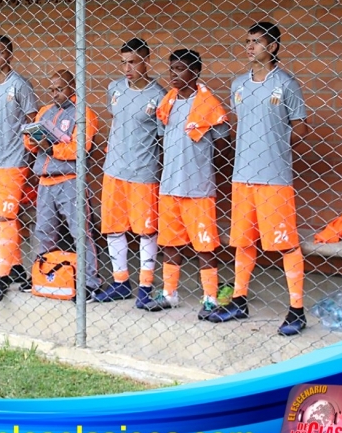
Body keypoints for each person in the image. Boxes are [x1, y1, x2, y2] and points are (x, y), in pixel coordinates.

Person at [207, 22, 309, 336]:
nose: (250, 47)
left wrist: (275, 146)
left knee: (286, 243)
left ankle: (297, 309)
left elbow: (301, 126)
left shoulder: (287, 84)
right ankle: (239, 299)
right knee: (243, 241)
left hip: (274, 176)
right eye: (248, 41)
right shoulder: (238, 84)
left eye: (257, 42)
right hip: (242, 175)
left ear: (273, 47)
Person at [143, 49, 228, 317]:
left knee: (205, 245)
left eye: (180, 69)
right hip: (169, 186)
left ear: (195, 72)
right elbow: (160, 136)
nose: (174, 75)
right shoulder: (168, 102)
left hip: (198, 188)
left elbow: (223, 140)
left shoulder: (208, 105)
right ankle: (170, 293)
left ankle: (210, 297)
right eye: (171, 70)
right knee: (170, 243)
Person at [95, 38, 166, 306]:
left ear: (147, 61)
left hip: (143, 171)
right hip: (114, 169)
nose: (127, 67)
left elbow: (162, 137)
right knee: (114, 228)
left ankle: (145, 286)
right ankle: (121, 281)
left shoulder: (158, 95)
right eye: (123, 62)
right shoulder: (114, 88)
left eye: (133, 61)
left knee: (146, 230)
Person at [24, 69, 101, 296]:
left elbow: (80, 148)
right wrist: (35, 141)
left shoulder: (83, 113)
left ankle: (89, 282)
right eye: (52, 89)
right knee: (44, 232)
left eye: (60, 89)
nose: (55, 94)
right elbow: (29, 141)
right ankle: (43, 275)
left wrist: (51, 148)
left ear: (72, 87)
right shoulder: (45, 112)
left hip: (70, 181)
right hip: (45, 181)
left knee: (81, 233)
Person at [0, 35, 38, 306]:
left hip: (13, 162)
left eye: (0, 52)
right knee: (2, 217)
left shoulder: (20, 85)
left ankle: (2, 274)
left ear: (10, 55)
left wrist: (28, 156)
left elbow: (32, 122)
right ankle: (16, 267)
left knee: (7, 217)